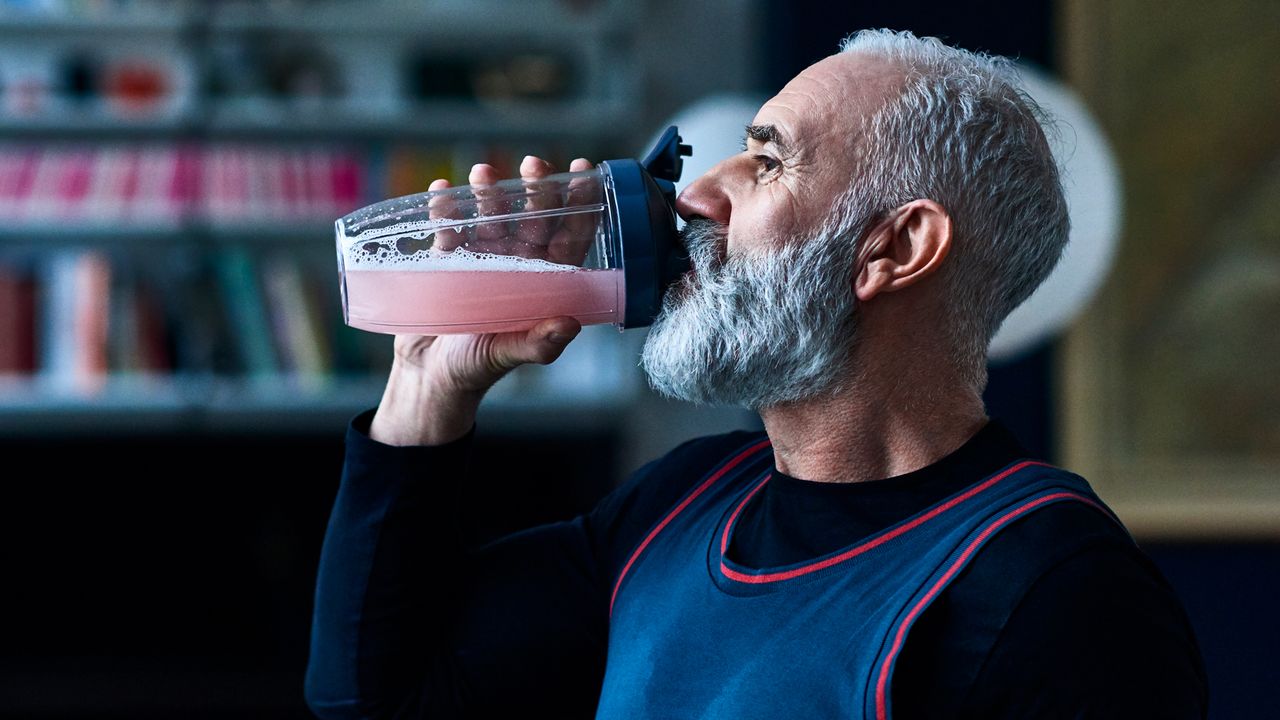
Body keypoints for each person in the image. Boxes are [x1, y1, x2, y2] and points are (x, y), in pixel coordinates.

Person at [304, 29, 1208, 719]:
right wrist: (429, 383)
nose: (696, 196)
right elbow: (379, 697)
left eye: (769, 161)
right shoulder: (679, 505)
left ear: (894, 248)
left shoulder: (1058, 592)